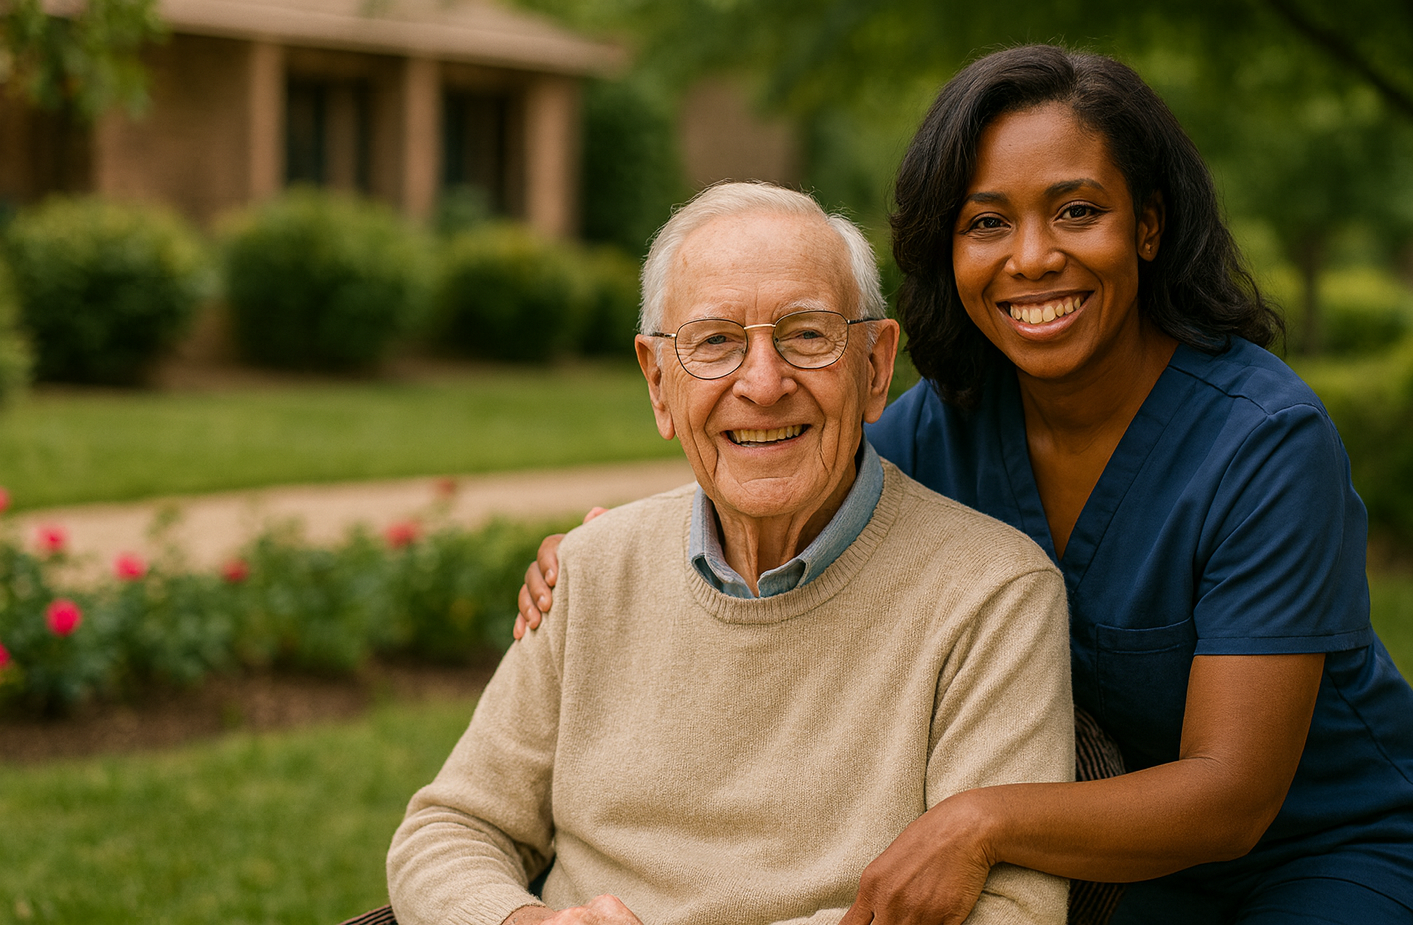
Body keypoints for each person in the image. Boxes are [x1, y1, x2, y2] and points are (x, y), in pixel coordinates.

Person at [515, 48, 1413, 925]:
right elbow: (779, 478)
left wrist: (981, 820)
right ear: (949, 250)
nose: (1033, 257)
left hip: (1337, 848)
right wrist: (605, 552)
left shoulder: (1263, 441)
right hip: (1119, 872)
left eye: (1078, 211)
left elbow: (1233, 795)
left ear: (1148, 226)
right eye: (987, 221)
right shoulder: (938, 429)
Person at [388, 182, 1076, 925]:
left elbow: (1014, 910)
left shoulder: (993, 593)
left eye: (807, 335)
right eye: (714, 342)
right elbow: (450, 830)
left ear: (875, 367)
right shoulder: (588, 571)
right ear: (658, 383)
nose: (763, 383)